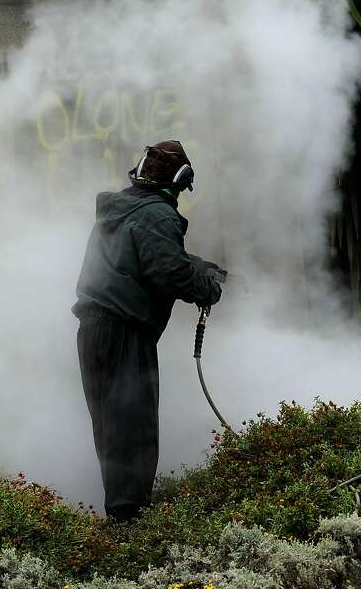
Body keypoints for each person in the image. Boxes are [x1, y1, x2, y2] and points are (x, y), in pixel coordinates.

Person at [72, 139, 225, 523]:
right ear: (179, 180)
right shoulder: (159, 215)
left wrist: (198, 264)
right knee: (133, 428)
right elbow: (167, 272)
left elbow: (146, 255)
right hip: (126, 332)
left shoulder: (122, 208)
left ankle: (119, 515)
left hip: (93, 330)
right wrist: (206, 287)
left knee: (110, 427)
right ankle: (130, 524)